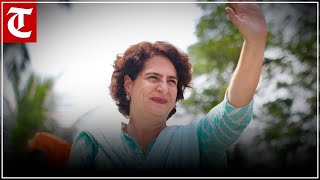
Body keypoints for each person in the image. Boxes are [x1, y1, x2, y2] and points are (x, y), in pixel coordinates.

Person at [68, 0, 267, 175]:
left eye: (171, 81)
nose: (164, 87)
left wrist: (255, 41)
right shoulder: (93, 143)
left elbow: (232, 113)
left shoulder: (199, 140)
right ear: (129, 84)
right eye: (153, 77)